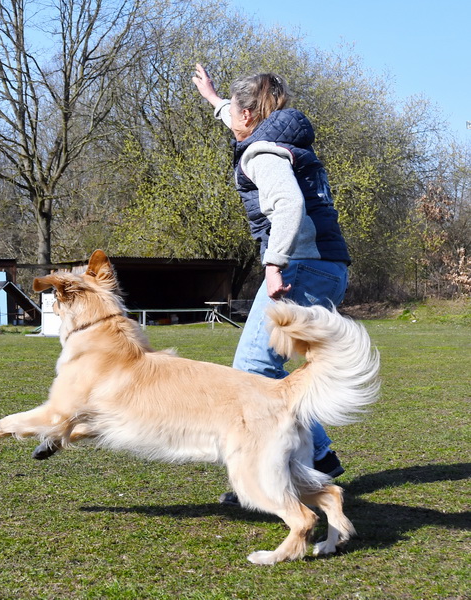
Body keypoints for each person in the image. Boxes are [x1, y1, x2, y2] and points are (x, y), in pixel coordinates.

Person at [192, 64, 351, 505]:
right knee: (267, 372)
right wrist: (212, 97)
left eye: (233, 113)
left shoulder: (260, 153)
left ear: (248, 116)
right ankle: (314, 462)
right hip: (328, 266)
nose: (231, 120)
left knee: (253, 372)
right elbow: (234, 115)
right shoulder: (279, 137)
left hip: (298, 265)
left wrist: (273, 263)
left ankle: (305, 468)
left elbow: (288, 205)